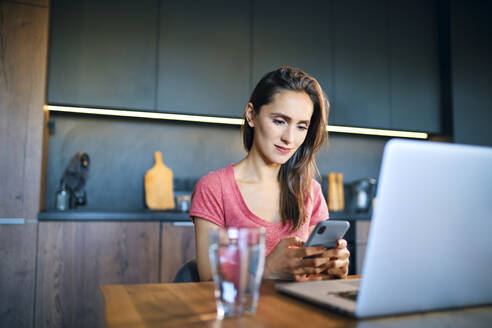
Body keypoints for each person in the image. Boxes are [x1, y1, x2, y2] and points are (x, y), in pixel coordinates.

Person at [190, 66, 350, 281]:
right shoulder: (214, 188)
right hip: (243, 314)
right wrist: (267, 270)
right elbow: (209, 280)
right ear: (251, 115)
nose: (289, 138)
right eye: (279, 121)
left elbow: (312, 277)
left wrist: (332, 270)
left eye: (301, 127)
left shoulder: (310, 191)